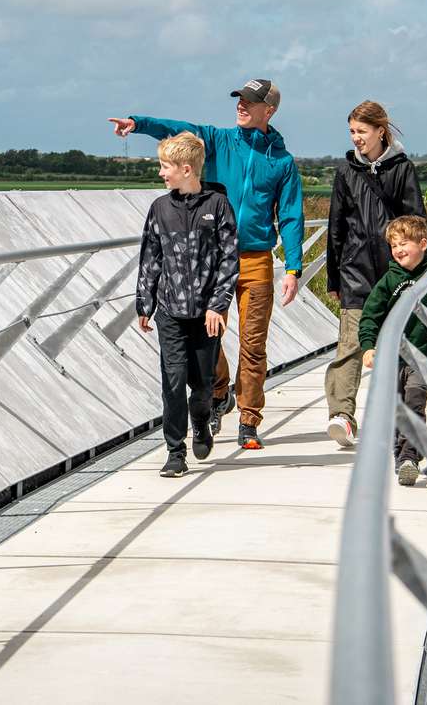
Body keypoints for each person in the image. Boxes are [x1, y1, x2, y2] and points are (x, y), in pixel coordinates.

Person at [111, 77, 304, 451]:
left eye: (249, 101)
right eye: (239, 99)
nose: (241, 105)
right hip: (211, 260)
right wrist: (138, 123)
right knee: (206, 337)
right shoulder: (217, 140)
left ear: (269, 111)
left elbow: (291, 215)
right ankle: (219, 392)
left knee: (253, 345)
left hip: (256, 260)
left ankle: (249, 420)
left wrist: (293, 267)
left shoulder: (281, 162)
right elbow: (177, 132)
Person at [136, 132, 240, 478]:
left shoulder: (218, 206)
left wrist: (218, 305)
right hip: (170, 311)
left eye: (165, 166)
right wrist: (145, 303)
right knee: (173, 379)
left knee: (202, 384)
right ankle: (175, 451)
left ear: (186, 169)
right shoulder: (160, 209)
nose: (161, 173)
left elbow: (229, 259)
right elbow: (150, 257)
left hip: (207, 314)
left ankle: (201, 420)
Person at [324, 100, 425, 448]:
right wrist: (334, 278)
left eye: (362, 131)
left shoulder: (402, 168)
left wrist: (416, 267)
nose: (356, 138)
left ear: (380, 131)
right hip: (355, 271)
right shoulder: (346, 170)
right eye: (352, 132)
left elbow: (416, 220)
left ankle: (394, 415)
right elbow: (336, 225)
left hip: (395, 273)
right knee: (350, 345)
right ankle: (342, 415)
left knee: (396, 346)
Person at [357, 214, 427, 486]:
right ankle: (401, 454)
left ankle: (409, 458)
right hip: (391, 357)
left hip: (422, 355)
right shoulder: (388, 281)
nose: (398, 250)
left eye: (404, 243)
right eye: (394, 246)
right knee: (397, 410)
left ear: (423, 244)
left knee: (415, 405)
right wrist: (368, 347)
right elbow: (370, 316)